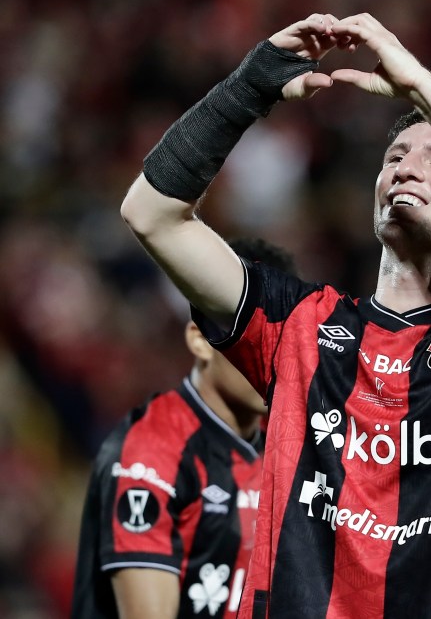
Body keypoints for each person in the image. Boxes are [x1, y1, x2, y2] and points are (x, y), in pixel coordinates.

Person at [119, 13, 431, 618]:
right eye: (396, 155)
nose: (406, 167)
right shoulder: (297, 325)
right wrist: (253, 82)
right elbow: (151, 213)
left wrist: (423, 88)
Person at [72, 238, 296, 619]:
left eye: (281, 334)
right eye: (251, 335)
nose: (272, 355)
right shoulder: (150, 451)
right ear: (201, 340)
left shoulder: (292, 447)